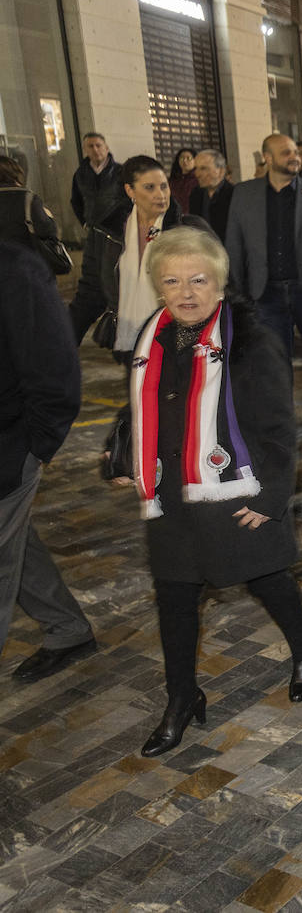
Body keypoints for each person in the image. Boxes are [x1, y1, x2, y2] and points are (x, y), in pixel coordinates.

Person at [121, 226, 302, 756]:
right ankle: (182, 698)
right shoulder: (152, 336)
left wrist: (272, 497)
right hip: (170, 499)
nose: (186, 292)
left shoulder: (251, 339)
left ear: (220, 282)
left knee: (266, 580)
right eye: (172, 280)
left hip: (234, 488)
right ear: (158, 287)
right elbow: (138, 406)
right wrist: (125, 457)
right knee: (174, 599)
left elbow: (279, 426)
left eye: (198, 280)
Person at [0, 240, 98, 684]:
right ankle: (68, 628)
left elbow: (57, 368)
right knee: (15, 541)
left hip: (8, 448)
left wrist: (36, 447)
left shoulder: (15, 267)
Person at [70, 156, 207, 353]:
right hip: (131, 341)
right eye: (149, 187)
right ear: (130, 191)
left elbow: (217, 287)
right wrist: (64, 341)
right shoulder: (107, 234)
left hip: (180, 341)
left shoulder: (188, 231)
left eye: (164, 186)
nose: (160, 194)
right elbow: (90, 293)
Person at [223, 134, 302, 361]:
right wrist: (241, 297)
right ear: (267, 158)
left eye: (296, 152)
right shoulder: (244, 194)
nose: (295, 157)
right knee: (274, 363)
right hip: (265, 294)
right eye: (286, 153)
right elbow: (234, 246)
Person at [0, 156, 68, 277]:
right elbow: (47, 231)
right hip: (27, 267)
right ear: (14, 173)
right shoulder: (28, 199)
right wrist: (49, 217)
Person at [70, 132, 123, 228]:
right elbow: (76, 201)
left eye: (98, 145)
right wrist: (84, 222)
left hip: (117, 227)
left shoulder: (120, 172)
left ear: (106, 148)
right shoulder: (80, 174)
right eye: (90, 146)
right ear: (85, 150)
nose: (95, 149)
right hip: (92, 228)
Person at [188, 149, 235, 242]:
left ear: (221, 171)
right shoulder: (195, 194)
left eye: (203, 168)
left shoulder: (235, 195)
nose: (197, 174)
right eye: (196, 169)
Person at [168, 148, 198, 215]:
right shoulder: (173, 180)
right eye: (182, 158)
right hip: (175, 217)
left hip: (194, 217)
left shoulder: (199, 179)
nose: (184, 161)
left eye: (188, 158)